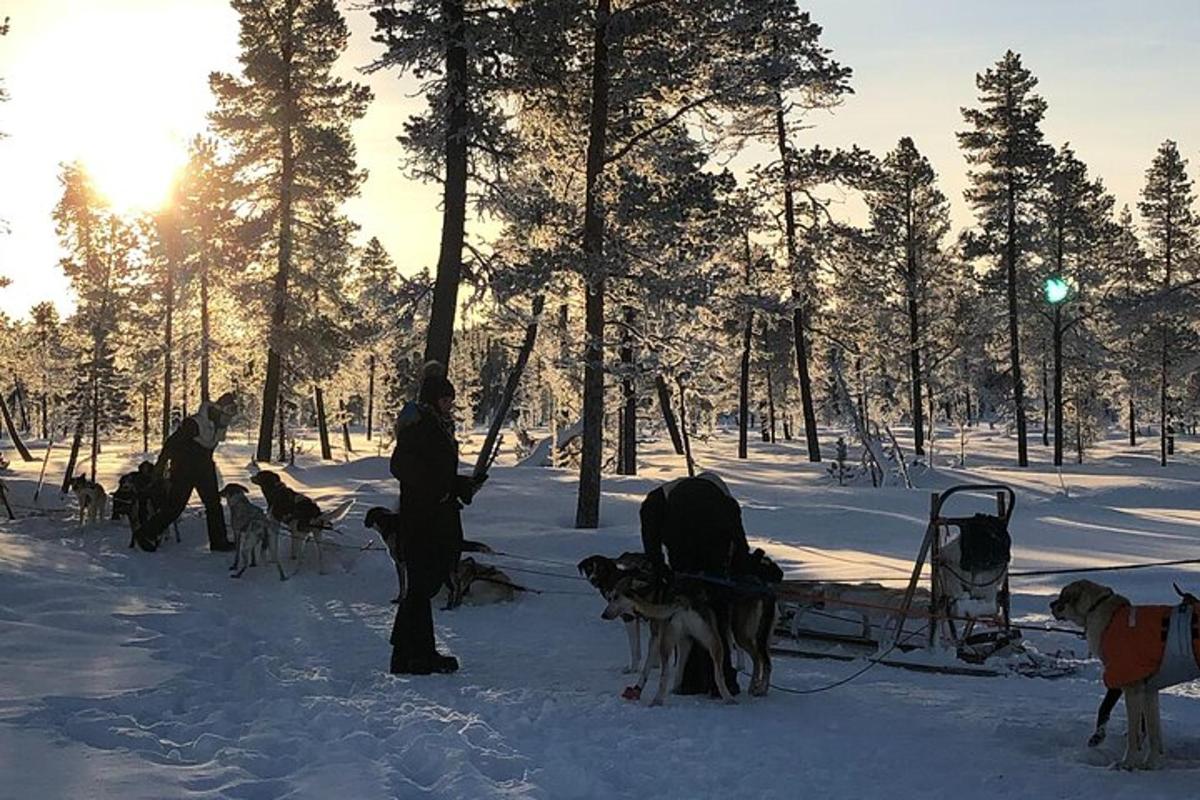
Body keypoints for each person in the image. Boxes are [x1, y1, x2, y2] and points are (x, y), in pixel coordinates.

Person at [387, 362, 486, 675]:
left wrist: (461, 485)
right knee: (423, 584)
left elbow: (438, 471)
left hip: (436, 514)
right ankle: (415, 654)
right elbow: (402, 467)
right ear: (432, 399)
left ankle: (410, 653)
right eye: (445, 399)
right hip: (422, 518)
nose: (449, 404)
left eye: (451, 400)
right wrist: (436, 492)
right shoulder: (420, 427)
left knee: (424, 585)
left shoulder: (438, 425)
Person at [640, 471, 750, 696]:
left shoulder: (657, 499)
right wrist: (739, 569)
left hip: (681, 548)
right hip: (714, 550)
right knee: (716, 612)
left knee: (688, 606)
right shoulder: (724, 499)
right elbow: (739, 538)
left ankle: (691, 680)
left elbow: (650, 539)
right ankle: (723, 681)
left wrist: (660, 568)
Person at [134, 392, 239, 553]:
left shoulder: (219, 425)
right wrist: (160, 467)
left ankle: (219, 542)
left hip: (204, 467)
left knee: (213, 505)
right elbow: (170, 444)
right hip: (184, 468)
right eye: (228, 412)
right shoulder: (194, 423)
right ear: (219, 409)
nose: (229, 417)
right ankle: (144, 534)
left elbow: (209, 447)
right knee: (175, 506)